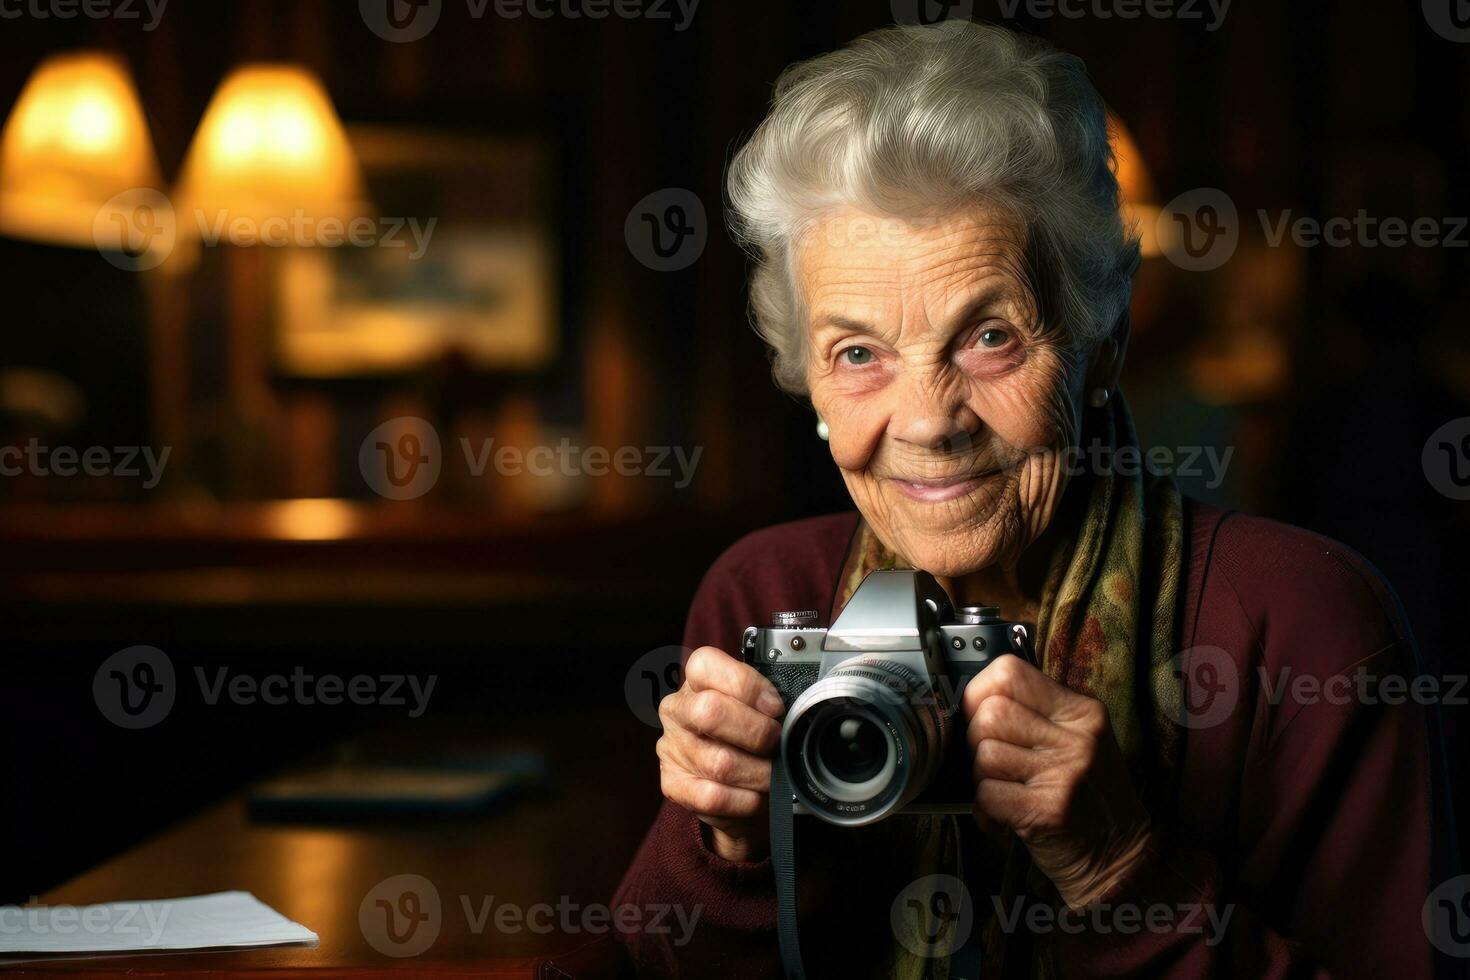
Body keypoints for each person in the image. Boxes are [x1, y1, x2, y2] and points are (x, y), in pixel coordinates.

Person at [612, 21, 1453, 979]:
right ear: (806, 380)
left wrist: (1125, 873)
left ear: (1103, 347)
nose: (928, 421)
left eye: (991, 338)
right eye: (858, 354)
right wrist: (731, 848)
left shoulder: (1307, 625)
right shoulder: (765, 591)